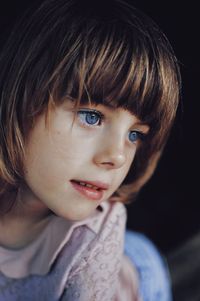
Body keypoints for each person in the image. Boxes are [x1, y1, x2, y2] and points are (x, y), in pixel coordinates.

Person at [0, 0, 181, 300]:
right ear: (19, 101)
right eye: (91, 116)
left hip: (136, 277)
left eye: (134, 135)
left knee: (139, 253)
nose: (118, 156)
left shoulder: (96, 237)